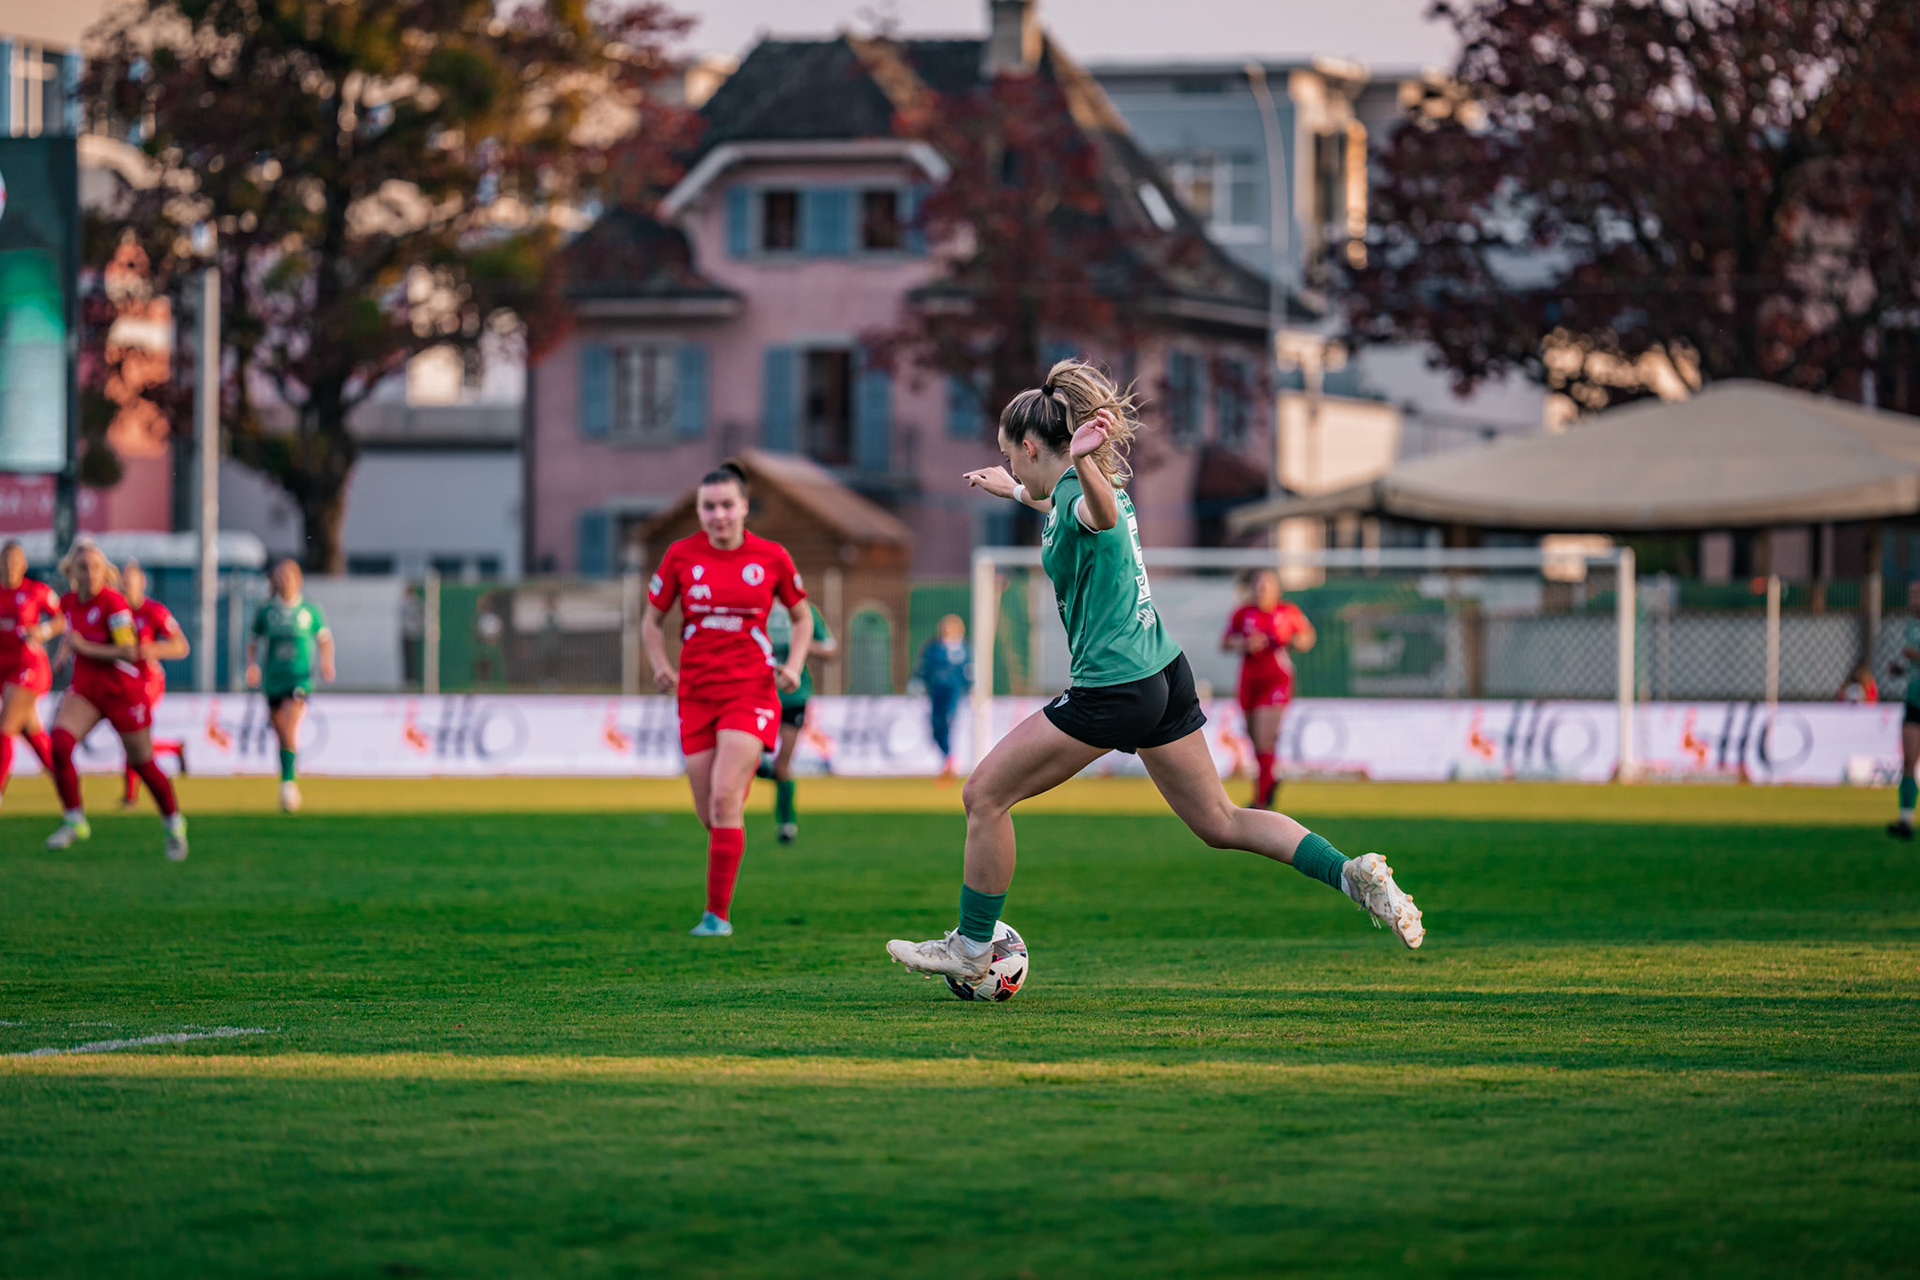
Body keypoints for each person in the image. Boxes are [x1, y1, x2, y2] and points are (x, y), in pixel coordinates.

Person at [886, 360, 1423, 984]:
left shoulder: (1091, 493)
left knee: (984, 795)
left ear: (1031, 446)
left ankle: (973, 947)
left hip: (1112, 687)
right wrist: (1007, 487)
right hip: (1163, 673)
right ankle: (1350, 873)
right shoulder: (1064, 489)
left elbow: (1099, 515)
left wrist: (1083, 463)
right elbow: (1050, 497)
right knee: (1220, 822)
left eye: (1009, 455)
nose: (1008, 466)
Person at [641, 462, 812, 936]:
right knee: (712, 814)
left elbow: (802, 620)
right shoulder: (680, 556)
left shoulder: (772, 557)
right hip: (695, 695)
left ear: (743, 508)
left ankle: (716, 917)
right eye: (708, 507)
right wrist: (660, 665)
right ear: (699, 510)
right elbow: (649, 622)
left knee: (721, 799)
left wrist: (793, 665)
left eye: (726, 505)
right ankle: (736, 794)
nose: (718, 515)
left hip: (751, 691)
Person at [44, 540, 189, 859]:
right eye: (84, 567)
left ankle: (174, 824)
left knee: (143, 763)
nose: (91, 573)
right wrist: (64, 651)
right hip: (86, 691)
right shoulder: (68, 602)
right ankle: (74, 819)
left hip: (123, 692)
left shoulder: (114, 604)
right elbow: (72, 633)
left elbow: (129, 650)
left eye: (97, 567)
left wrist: (85, 648)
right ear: (72, 572)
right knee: (60, 742)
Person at [1221, 569, 1315, 809]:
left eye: (1267, 585)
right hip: (1249, 681)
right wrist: (1243, 643)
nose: (1262, 590)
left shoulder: (1287, 612)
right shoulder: (1242, 613)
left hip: (1275, 681)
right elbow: (1225, 642)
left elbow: (1307, 637)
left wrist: (1293, 640)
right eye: (1258, 585)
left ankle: (1261, 799)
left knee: (1265, 739)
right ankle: (1270, 779)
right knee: (1254, 739)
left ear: (1276, 589)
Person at [246, 559, 335, 813]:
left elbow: (325, 641)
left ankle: (288, 785)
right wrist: (252, 666)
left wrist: (327, 663)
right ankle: (288, 776)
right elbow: (253, 642)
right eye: (280, 576)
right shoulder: (267, 612)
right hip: (273, 680)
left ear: (299, 580)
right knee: (280, 731)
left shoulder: (310, 611)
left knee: (288, 724)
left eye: (289, 576)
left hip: (300, 680)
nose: (285, 581)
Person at [760, 599, 835, 843]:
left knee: (784, 765)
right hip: (758, 694)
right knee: (753, 763)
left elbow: (830, 648)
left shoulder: (805, 611)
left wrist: (804, 646)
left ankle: (786, 823)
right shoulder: (755, 607)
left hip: (794, 696)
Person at [119, 560, 190, 807]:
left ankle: (130, 796)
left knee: (133, 732)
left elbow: (181, 646)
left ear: (142, 583)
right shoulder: (116, 612)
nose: (127, 586)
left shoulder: (154, 611)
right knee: (134, 738)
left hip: (149, 681)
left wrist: (153, 649)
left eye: (131, 581)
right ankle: (174, 749)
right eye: (123, 581)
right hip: (123, 681)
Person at [0, 539, 63, 807]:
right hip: (4, 668)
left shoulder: (36, 591)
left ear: (24, 564)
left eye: (16, 560)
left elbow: (62, 617)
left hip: (29, 668)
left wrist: (44, 631)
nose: (11, 565)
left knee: (5, 728)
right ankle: (67, 785)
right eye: (6, 560)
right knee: (32, 733)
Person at [916, 613, 973, 777]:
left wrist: (973, 688)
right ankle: (947, 757)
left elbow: (969, 671)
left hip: (953, 692)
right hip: (935, 691)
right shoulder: (933, 648)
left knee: (949, 721)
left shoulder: (964, 649)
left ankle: (952, 759)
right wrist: (917, 682)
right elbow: (923, 667)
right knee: (936, 725)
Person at [1887, 580, 1920, 840]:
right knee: (1909, 761)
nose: (1913, 599)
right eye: (1912, 594)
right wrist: (1898, 670)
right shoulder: (1911, 627)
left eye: (1918, 594)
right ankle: (1905, 820)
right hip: (1914, 701)